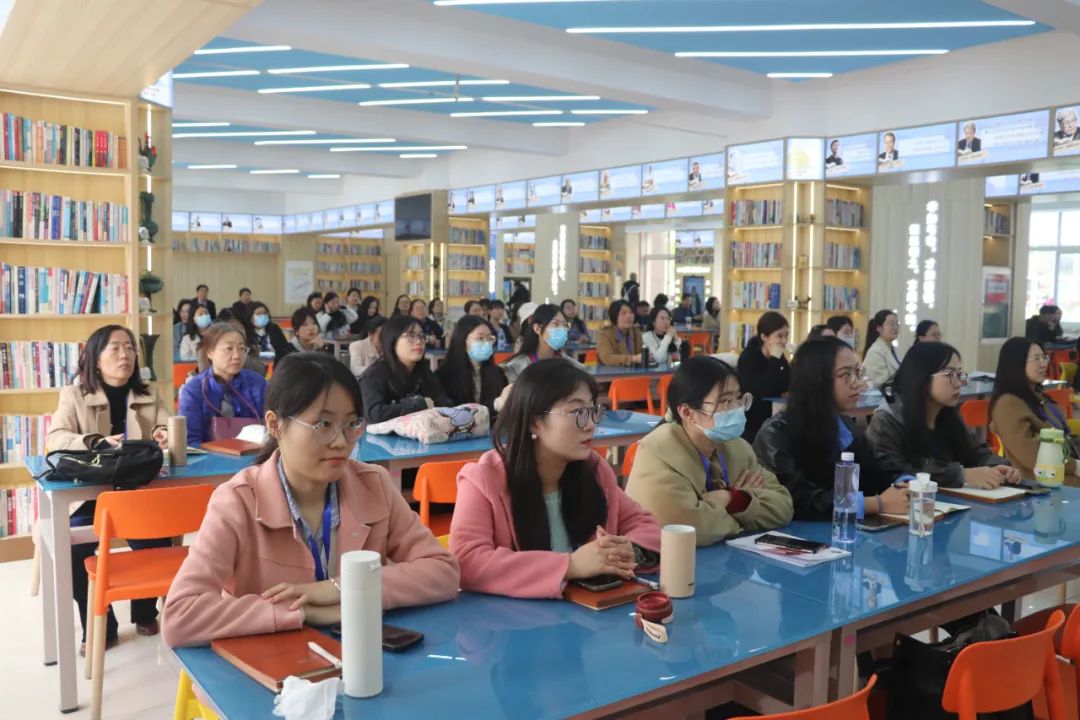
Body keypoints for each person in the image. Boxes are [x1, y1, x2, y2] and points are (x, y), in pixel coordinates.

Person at [162, 352, 459, 648]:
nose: (341, 441)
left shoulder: (373, 484)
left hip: (364, 655)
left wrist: (341, 588)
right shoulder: (237, 501)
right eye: (323, 425)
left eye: (351, 424)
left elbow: (443, 571)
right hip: (274, 663)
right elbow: (180, 617)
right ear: (275, 424)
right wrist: (302, 613)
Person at [450, 359, 661, 598]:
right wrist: (570, 565)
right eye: (577, 412)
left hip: (589, 614)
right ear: (535, 422)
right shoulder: (484, 479)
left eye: (593, 411)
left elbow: (645, 524)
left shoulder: (594, 470)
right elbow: (467, 562)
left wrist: (630, 551)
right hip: (514, 618)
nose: (591, 424)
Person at [47, 325, 172, 653]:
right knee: (75, 550)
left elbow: (167, 426)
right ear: (95, 359)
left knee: (158, 541)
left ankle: (144, 610)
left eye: (130, 348)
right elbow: (56, 438)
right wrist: (95, 442)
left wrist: (162, 434)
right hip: (92, 496)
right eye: (115, 348)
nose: (125, 355)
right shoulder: (74, 395)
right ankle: (100, 623)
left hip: (137, 493)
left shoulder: (149, 393)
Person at [626, 357, 793, 545]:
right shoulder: (657, 453)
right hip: (669, 560)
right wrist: (744, 517)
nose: (736, 409)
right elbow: (688, 526)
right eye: (725, 401)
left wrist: (733, 499)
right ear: (687, 413)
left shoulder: (737, 447)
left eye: (738, 398)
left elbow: (783, 506)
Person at [753, 337, 910, 520]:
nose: (858, 383)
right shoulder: (776, 433)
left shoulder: (843, 424)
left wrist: (903, 484)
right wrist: (876, 504)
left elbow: (874, 473)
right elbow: (796, 498)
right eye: (846, 374)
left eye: (857, 372)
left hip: (843, 528)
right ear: (816, 379)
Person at [868, 342, 1019, 489]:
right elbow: (896, 473)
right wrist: (963, 475)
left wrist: (1000, 467)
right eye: (949, 374)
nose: (958, 383)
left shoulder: (948, 414)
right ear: (921, 376)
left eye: (959, 374)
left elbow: (975, 452)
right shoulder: (889, 420)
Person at [990, 337, 1078, 479]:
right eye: (1036, 358)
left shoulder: (1039, 397)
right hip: (1043, 480)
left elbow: (1065, 438)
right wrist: (1076, 466)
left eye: (1044, 357)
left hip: (1062, 472)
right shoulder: (1008, 405)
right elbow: (1032, 457)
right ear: (1016, 362)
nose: (1043, 364)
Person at [179, 323, 268, 445]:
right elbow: (190, 441)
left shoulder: (258, 383)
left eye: (242, 348)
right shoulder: (193, 390)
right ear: (210, 353)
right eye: (229, 348)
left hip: (254, 453)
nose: (237, 355)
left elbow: (272, 426)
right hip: (207, 455)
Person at [359, 314, 451, 423]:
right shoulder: (373, 376)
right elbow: (374, 414)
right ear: (392, 341)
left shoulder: (423, 371)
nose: (419, 341)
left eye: (421, 336)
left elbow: (445, 402)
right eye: (411, 336)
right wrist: (419, 404)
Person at [436, 316, 511, 416]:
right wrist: (495, 405)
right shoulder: (444, 376)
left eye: (489, 338)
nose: (486, 343)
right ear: (463, 340)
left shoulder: (497, 373)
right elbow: (452, 414)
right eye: (480, 338)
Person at [737, 311, 791, 442]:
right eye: (779, 336)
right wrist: (774, 360)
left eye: (786, 335)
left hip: (774, 413)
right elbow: (761, 390)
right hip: (753, 418)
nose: (784, 341)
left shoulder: (778, 356)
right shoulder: (749, 357)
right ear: (764, 337)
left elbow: (788, 383)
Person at [501, 304, 584, 382]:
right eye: (555, 324)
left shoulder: (572, 367)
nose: (562, 329)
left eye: (565, 325)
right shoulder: (516, 368)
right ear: (537, 328)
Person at [863, 309, 903, 387]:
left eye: (897, 324)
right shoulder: (875, 352)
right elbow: (880, 382)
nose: (895, 327)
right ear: (879, 328)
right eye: (891, 324)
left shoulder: (895, 349)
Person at [596, 300, 643, 367]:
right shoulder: (604, 334)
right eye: (623, 313)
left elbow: (640, 353)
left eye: (631, 312)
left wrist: (646, 356)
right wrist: (633, 359)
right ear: (615, 316)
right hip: (611, 372)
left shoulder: (636, 331)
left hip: (634, 371)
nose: (629, 316)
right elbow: (607, 358)